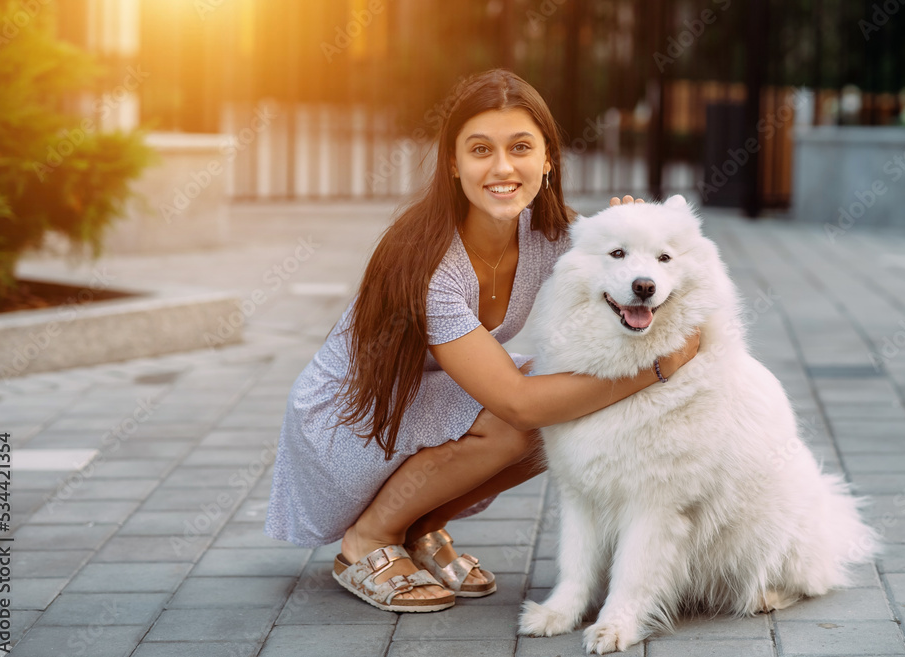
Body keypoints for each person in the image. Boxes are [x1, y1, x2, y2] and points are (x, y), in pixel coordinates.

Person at [264, 69, 700, 612]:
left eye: (520, 147)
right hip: (351, 415)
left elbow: (637, 261)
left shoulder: (553, 236)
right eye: (479, 149)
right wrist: (656, 368)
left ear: (547, 160)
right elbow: (516, 405)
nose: (501, 167)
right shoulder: (429, 265)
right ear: (453, 163)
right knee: (523, 417)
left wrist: (633, 234)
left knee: (570, 412)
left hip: (427, 390)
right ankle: (367, 541)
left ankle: (418, 525)